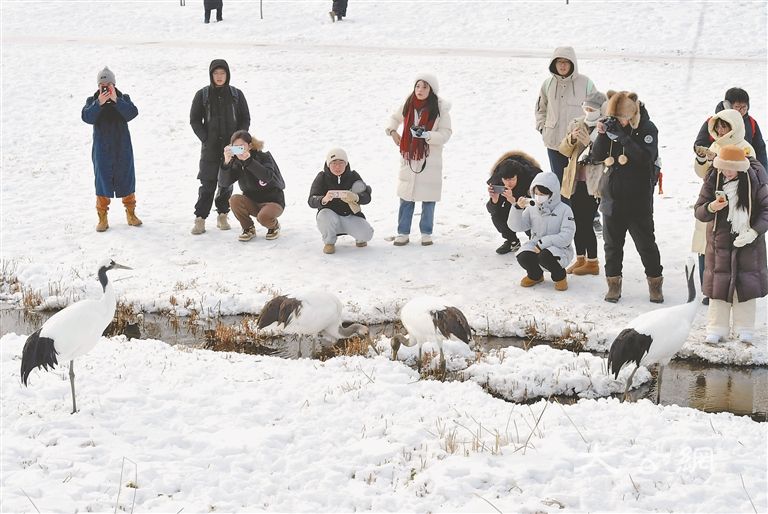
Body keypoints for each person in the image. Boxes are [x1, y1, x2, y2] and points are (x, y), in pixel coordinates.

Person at [591, 90, 664, 303]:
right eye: (615, 118)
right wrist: (603, 134)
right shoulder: (611, 126)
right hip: (612, 196)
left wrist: (623, 138)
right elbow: (597, 156)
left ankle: (655, 283)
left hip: (638, 198)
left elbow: (645, 158)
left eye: (622, 118)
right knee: (612, 245)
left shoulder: (647, 128)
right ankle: (613, 285)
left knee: (646, 244)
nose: (619, 122)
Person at [694, 145, 768, 344]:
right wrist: (711, 207)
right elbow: (699, 211)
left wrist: (754, 231)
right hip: (720, 241)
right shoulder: (714, 177)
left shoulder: (755, 178)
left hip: (748, 242)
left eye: (730, 168)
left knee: (746, 283)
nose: (726, 172)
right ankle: (716, 327)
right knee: (719, 284)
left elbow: (766, 209)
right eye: (723, 168)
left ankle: (745, 328)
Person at [692, 109, 757, 304]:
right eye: (718, 125)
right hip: (712, 200)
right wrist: (703, 159)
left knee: (727, 248)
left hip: (734, 206)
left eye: (724, 125)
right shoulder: (714, 144)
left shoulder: (745, 148)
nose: (720, 130)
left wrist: (721, 164)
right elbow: (701, 173)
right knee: (705, 247)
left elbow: (750, 175)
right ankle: (708, 288)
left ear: (734, 127)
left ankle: (732, 288)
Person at [385, 73, 452, 247]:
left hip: (429, 158)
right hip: (409, 156)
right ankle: (403, 232)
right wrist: (393, 132)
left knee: (428, 199)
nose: (420, 90)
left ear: (431, 89)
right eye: (418, 86)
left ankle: (426, 233)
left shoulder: (440, 109)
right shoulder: (408, 104)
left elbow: (446, 133)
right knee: (406, 196)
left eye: (424, 87)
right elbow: (394, 118)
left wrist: (428, 135)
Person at [190, 59, 250, 235]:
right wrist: (205, 138)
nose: (219, 77)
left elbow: (245, 118)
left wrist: (239, 139)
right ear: (211, 75)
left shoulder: (236, 94)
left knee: (226, 183)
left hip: (232, 148)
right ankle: (200, 218)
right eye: (216, 73)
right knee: (207, 184)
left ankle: (223, 214)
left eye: (222, 73)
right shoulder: (202, 95)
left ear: (227, 75)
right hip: (210, 148)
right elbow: (194, 120)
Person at [81, 66, 141, 232]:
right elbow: (87, 117)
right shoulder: (92, 101)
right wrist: (98, 103)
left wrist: (117, 101)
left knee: (127, 179)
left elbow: (132, 113)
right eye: (103, 84)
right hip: (102, 148)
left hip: (122, 147)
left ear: (114, 84)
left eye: (109, 84)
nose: (106, 87)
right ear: (98, 86)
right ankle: (102, 217)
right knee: (102, 181)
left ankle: (131, 213)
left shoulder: (123, 98)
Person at [534, 46, 596, 202]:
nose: (562, 65)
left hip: (578, 143)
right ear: (553, 64)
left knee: (582, 181)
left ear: (572, 63)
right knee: (560, 183)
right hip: (555, 143)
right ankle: (565, 216)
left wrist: (590, 132)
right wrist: (543, 128)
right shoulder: (547, 84)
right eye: (559, 62)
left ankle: (590, 215)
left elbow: (597, 108)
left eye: (566, 62)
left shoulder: (586, 83)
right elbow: (541, 109)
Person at [557, 91, 608, 276]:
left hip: (593, 183)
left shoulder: (606, 126)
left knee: (586, 222)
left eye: (592, 109)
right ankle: (580, 259)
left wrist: (590, 143)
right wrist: (571, 138)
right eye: (586, 108)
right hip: (575, 179)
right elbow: (563, 150)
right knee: (577, 222)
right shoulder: (577, 123)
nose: (588, 111)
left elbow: (606, 155)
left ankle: (592, 261)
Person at [508, 172, 575, 291]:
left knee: (545, 256)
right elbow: (517, 227)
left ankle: (559, 277)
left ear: (552, 194)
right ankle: (535, 275)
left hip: (559, 248)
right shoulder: (532, 207)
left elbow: (566, 236)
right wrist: (517, 209)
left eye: (543, 194)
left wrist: (542, 244)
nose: (539, 197)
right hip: (536, 244)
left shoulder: (565, 210)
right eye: (536, 193)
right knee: (523, 255)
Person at [217, 131, 285, 242]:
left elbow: (267, 177)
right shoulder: (236, 163)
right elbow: (224, 183)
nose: (239, 150)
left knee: (263, 217)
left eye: (242, 146)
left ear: (250, 145)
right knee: (234, 199)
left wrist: (249, 161)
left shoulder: (264, 157)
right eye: (236, 147)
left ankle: (274, 226)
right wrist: (226, 162)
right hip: (252, 202)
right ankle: (248, 228)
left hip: (273, 202)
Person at [308, 148, 373, 254]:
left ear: (346, 164)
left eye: (341, 163)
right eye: (334, 163)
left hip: (350, 216)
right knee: (324, 215)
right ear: (328, 164)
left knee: (367, 235)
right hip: (330, 218)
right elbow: (311, 200)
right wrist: (323, 199)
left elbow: (367, 197)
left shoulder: (353, 176)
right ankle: (329, 242)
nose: (337, 167)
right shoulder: (322, 177)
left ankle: (359, 237)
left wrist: (356, 197)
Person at [694, 87, 767, 170]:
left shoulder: (751, 122)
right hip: (717, 172)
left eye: (744, 107)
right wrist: (713, 156)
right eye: (737, 107)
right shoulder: (713, 122)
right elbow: (700, 144)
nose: (741, 111)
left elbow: (760, 149)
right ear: (727, 105)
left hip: (744, 171)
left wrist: (763, 173)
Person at [486, 151, 542, 254]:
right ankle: (512, 241)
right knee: (496, 214)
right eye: (505, 180)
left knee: (531, 214)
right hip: (511, 206)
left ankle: (535, 239)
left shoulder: (531, 179)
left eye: (512, 179)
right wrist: (494, 200)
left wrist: (513, 201)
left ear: (517, 176)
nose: (508, 183)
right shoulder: (497, 182)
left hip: (529, 207)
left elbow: (539, 206)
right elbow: (492, 210)